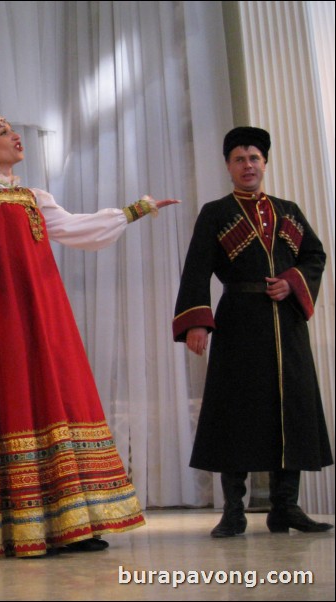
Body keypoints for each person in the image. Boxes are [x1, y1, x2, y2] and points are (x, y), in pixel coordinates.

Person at [0, 98, 180, 560]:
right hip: (1, 316)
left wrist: (134, 211)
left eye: (12, 129)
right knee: (13, 399)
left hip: (43, 311)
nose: (15, 136)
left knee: (55, 396)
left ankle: (69, 524)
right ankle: (8, 526)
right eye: (2, 131)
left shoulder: (33, 196)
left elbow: (77, 229)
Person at [172, 126, 333, 538]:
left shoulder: (288, 210)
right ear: (228, 166)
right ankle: (233, 512)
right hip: (239, 321)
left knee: (290, 409)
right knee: (236, 411)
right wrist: (196, 323)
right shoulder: (216, 212)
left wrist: (293, 280)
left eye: (254, 158)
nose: (248, 166)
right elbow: (196, 270)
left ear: (264, 163)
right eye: (240, 159)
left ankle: (286, 507)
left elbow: (315, 255)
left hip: (286, 324)